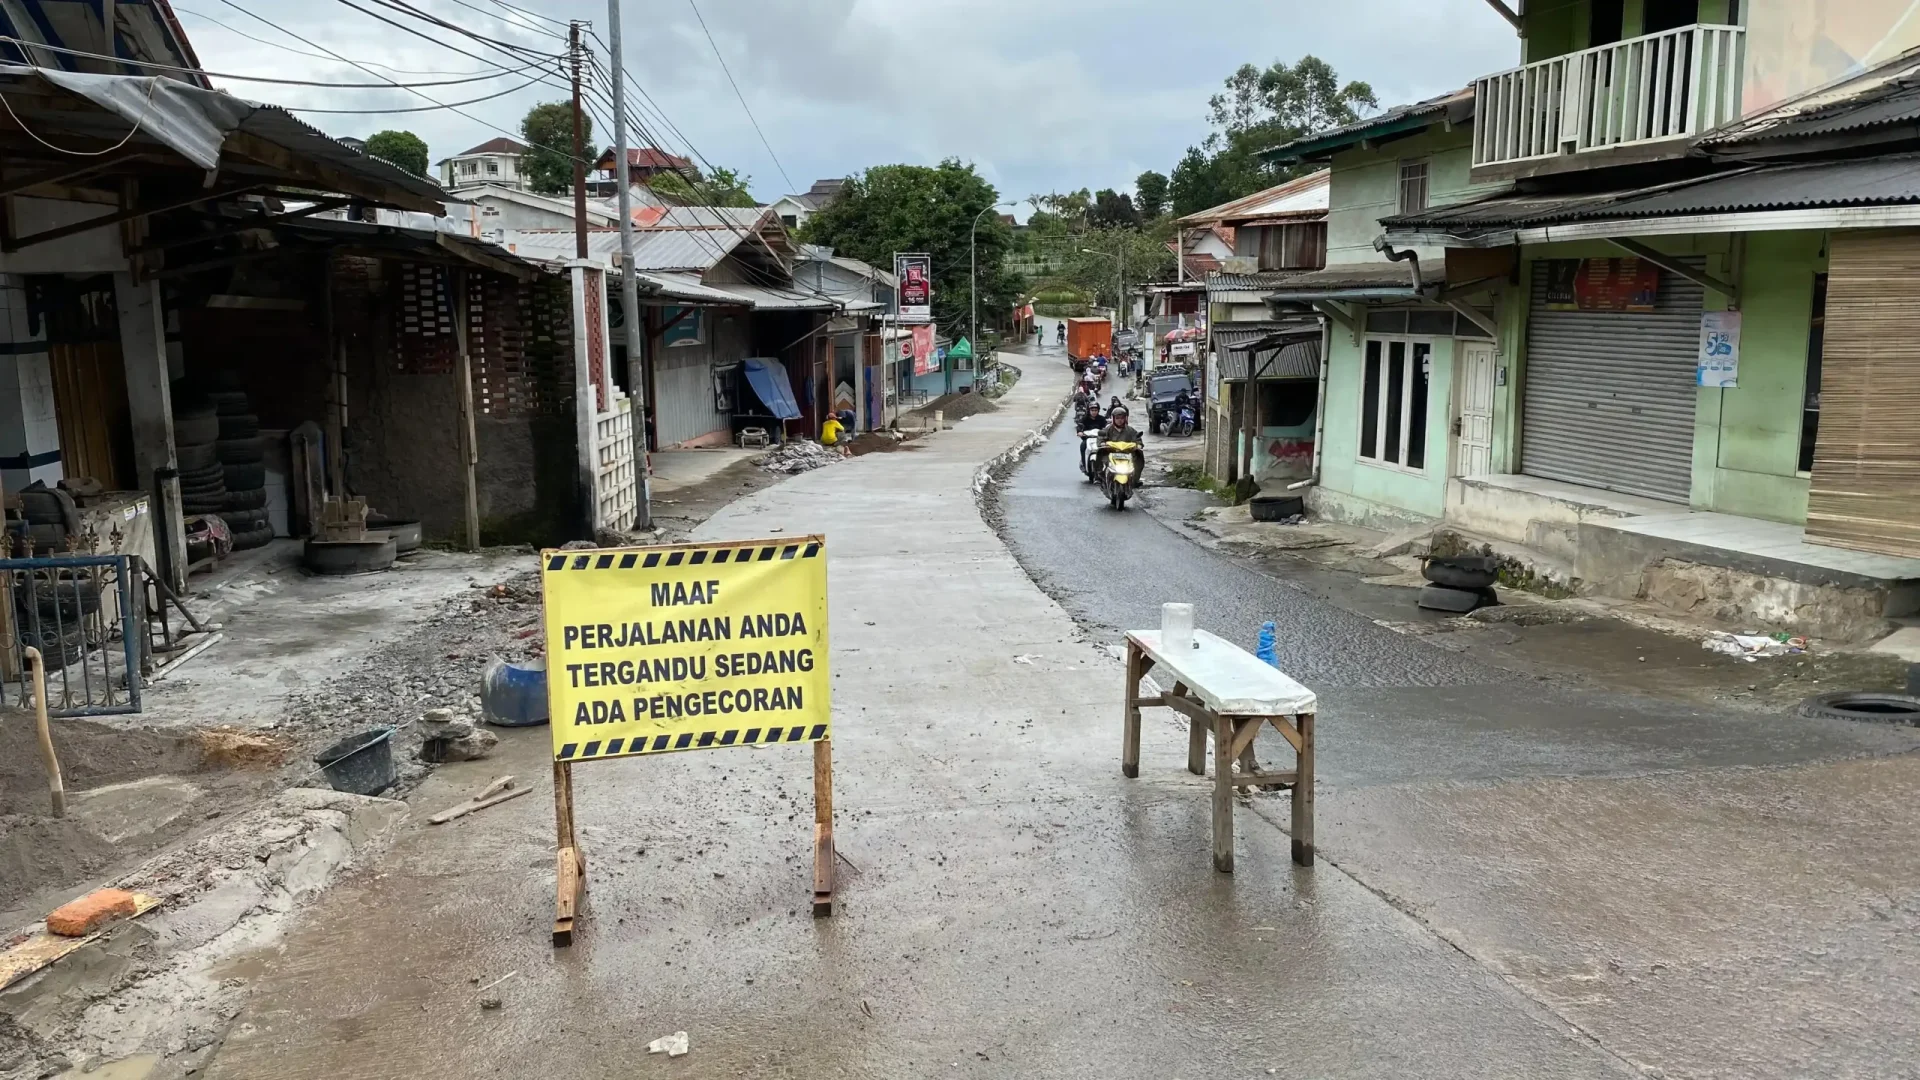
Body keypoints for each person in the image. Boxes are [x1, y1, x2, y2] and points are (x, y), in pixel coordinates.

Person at [1093, 404, 1145, 480]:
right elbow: (1101, 437)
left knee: (1139, 454)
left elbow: (1137, 438)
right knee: (1099, 452)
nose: (1120, 420)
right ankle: (1099, 475)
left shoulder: (1130, 430)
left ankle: (1135, 479)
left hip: (1127, 454)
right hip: (1110, 454)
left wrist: (1139, 445)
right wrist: (1102, 443)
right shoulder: (1108, 429)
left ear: (1125, 419)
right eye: (1117, 418)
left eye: (1122, 418)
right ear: (1113, 419)